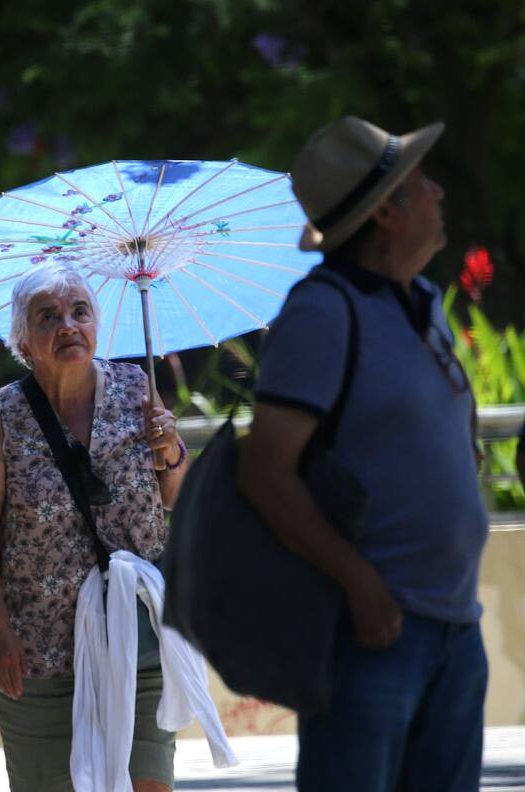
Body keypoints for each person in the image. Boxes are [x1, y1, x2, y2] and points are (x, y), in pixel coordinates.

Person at [238, 117, 489, 791]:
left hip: (455, 629)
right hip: (373, 633)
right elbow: (265, 472)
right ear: (386, 210)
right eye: (421, 182)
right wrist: (360, 582)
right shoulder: (322, 312)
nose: (437, 192)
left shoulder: (424, 301)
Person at [0, 263, 189, 792]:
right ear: (23, 339)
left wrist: (170, 450)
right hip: (39, 653)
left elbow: (175, 495)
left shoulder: (137, 387)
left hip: (139, 639)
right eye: (48, 317)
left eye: (79, 312)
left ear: (96, 325)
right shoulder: (1, 417)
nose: (67, 325)